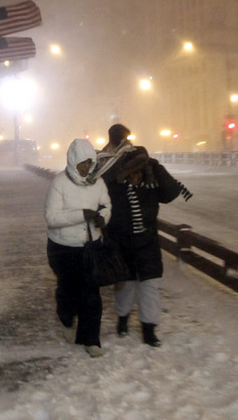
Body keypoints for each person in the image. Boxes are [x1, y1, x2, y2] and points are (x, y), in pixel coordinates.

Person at [103, 145, 192, 347]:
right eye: (131, 172)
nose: (135, 177)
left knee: (149, 289)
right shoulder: (115, 189)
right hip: (122, 247)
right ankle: (123, 319)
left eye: (139, 172)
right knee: (126, 288)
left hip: (147, 247)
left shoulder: (152, 189)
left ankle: (149, 329)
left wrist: (154, 165)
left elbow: (171, 191)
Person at [44, 138, 112, 358]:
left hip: (90, 246)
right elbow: (51, 218)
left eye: (90, 163)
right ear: (73, 161)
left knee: (92, 294)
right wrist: (81, 214)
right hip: (63, 248)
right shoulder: (59, 183)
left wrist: (103, 217)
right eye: (82, 163)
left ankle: (91, 340)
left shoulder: (98, 183)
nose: (86, 167)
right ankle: (65, 317)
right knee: (68, 291)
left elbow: (106, 205)